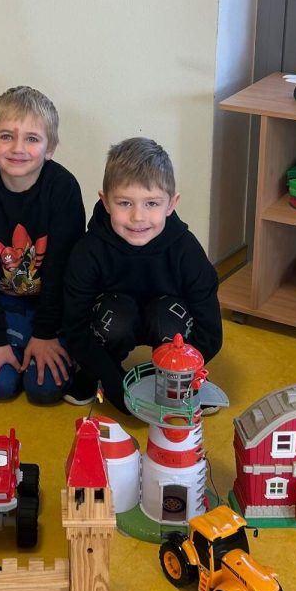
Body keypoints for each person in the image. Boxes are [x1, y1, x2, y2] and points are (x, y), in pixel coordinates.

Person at [62, 137, 222, 411]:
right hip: (115, 317)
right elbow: (75, 327)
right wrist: (116, 387)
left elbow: (210, 332)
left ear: (171, 204)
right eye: (125, 203)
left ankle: (182, 379)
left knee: (169, 320)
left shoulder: (187, 251)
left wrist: (180, 377)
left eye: (152, 203)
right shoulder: (88, 251)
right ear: (106, 201)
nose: (138, 216)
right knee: (114, 319)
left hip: (165, 319)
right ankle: (96, 373)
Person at [0, 86, 85, 402]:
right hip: (3, 304)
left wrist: (45, 334)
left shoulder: (63, 188)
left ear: (50, 147)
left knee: (44, 389)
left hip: (52, 305)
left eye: (32, 138)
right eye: (6, 136)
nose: (18, 148)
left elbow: (62, 270)